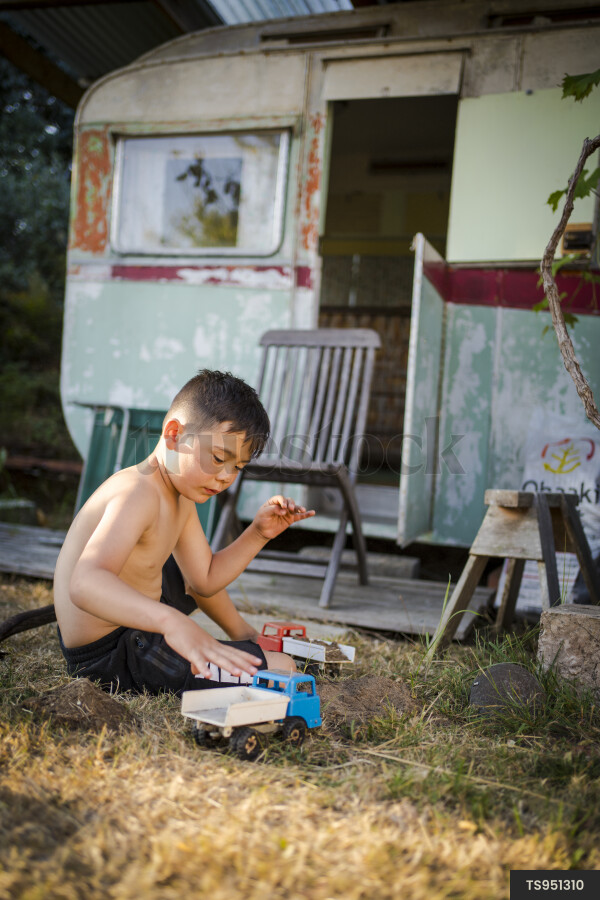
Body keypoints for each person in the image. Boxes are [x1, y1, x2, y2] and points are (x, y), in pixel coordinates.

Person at [53, 369, 315, 696]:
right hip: (112, 655)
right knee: (281, 668)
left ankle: (244, 634)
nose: (225, 476)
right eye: (218, 458)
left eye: (237, 467)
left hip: (136, 630)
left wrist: (258, 533)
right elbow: (84, 583)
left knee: (183, 569)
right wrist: (172, 622)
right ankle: (218, 648)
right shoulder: (137, 491)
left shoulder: (179, 495)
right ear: (174, 434)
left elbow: (202, 579)